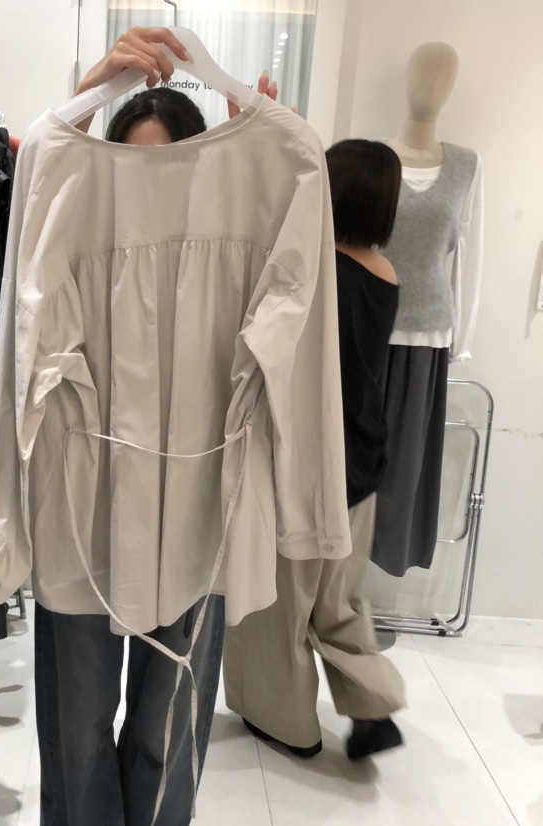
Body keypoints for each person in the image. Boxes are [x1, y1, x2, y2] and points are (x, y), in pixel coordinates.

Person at [33, 34, 227, 826]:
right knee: (77, 727)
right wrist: (92, 87)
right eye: (132, 166)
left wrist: (260, 137)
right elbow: (42, 191)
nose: (150, 187)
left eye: (169, 168)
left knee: (166, 726)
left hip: (195, 507)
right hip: (84, 505)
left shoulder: (225, 255)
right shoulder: (78, 237)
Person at [223, 139, 407, 762]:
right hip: (363, 457)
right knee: (340, 599)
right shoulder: (384, 274)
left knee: (279, 604)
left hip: (304, 460)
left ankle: (286, 724)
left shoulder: (310, 272)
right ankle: (373, 705)